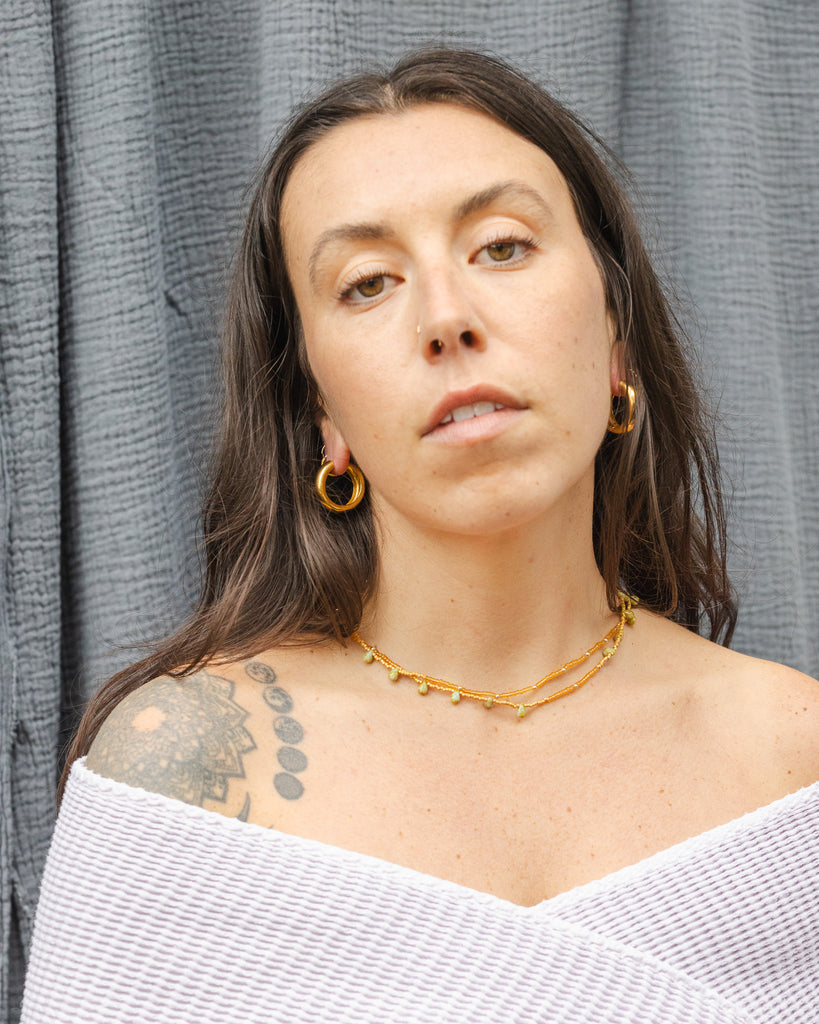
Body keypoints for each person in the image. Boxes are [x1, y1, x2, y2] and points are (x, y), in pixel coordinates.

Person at [21, 48, 818, 1024]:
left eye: (502, 247)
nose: (446, 319)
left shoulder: (795, 758)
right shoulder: (188, 763)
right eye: (367, 284)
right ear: (322, 414)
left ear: (616, 340)